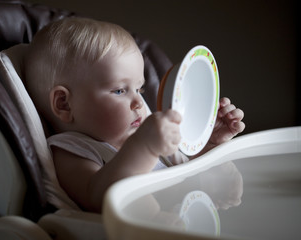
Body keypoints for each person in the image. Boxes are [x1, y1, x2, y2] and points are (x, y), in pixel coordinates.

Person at [24, 17, 245, 212]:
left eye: (139, 89)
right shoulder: (72, 150)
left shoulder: (145, 135)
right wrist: (144, 148)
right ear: (64, 104)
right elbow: (99, 197)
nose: (139, 102)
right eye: (120, 90)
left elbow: (186, 173)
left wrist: (209, 144)